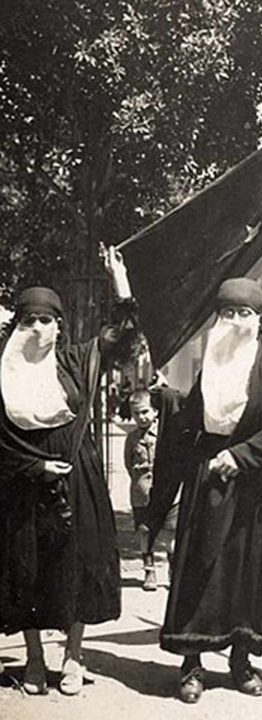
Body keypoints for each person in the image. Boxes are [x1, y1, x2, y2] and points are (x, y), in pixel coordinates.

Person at [149, 277, 262, 704]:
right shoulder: (214, 359)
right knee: (201, 567)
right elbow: (195, 416)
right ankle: (192, 662)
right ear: (217, 318)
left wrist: (242, 456)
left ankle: (240, 659)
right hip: (208, 479)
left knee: (246, 572)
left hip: (255, 484)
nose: (236, 321)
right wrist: (170, 402)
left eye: (245, 313)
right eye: (228, 313)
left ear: (259, 318)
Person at [0, 246, 139, 696]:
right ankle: (36, 661)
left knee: (76, 566)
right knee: (28, 569)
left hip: (77, 479)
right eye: (29, 320)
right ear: (17, 326)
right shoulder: (2, 372)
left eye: (46, 320)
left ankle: (73, 657)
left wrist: (120, 283)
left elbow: (123, 337)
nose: (37, 328)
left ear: (59, 326)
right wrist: (34, 464)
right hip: (23, 484)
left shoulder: (76, 361)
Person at [124, 387, 181, 591]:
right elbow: (128, 463)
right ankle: (149, 570)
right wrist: (140, 483)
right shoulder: (131, 438)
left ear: (155, 411)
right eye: (136, 413)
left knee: (172, 534)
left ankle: (173, 569)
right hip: (142, 495)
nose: (141, 417)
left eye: (145, 411)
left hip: (168, 493)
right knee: (145, 532)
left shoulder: (166, 434)